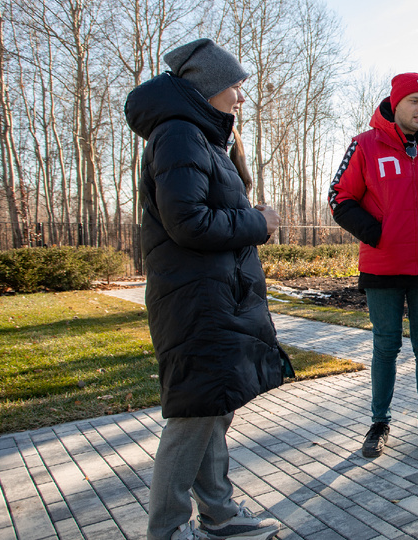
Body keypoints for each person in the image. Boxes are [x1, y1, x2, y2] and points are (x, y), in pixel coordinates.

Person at [125, 38, 292, 540]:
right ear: (207, 87)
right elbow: (189, 222)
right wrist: (257, 222)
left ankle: (218, 515)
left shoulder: (197, 136)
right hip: (196, 300)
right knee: (193, 416)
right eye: (236, 86)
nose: (241, 96)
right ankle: (168, 530)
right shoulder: (179, 135)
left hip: (212, 296)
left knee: (213, 407)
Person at [329, 73, 418, 463]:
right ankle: (379, 423)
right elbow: (339, 199)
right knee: (385, 347)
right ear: (395, 104)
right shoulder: (365, 145)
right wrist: (379, 235)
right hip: (384, 266)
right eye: (414, 101)